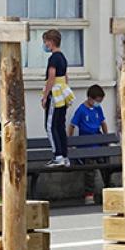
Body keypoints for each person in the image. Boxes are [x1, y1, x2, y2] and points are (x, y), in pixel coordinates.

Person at [68, 85, 109, 204]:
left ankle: (108, 188)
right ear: (90, 98)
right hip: (86, 144)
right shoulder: (81, 110)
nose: (98, 103)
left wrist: (105, 138)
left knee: (106, 165)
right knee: (90, 170)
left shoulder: (98, 109)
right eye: (97, 101)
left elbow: (103, 123)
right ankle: (89, 194)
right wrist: (70, 142)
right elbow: (72, 125)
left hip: (98, 141)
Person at [41, 29, 75, 168]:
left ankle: (57, 155)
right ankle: (65, 155)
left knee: (50, 125)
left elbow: (51, 77)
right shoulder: (63, 57)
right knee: (60, 125)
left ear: (51, 42)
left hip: (55, 94)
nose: (44, 44)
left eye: (45, 41)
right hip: (62, 93)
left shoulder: (53, 58)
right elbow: (66, 77)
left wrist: (45, 96)